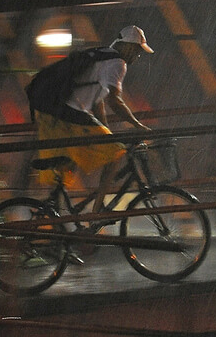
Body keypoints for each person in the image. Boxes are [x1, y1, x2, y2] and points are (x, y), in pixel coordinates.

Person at [34, 25, 153, 216]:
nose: (137, 56)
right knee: (116, 154)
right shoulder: (118, 63)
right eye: (138, 51)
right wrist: (137, 125)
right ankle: (97, 210)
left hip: (56, 112)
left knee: (77, 157)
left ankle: (52, 206)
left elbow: (97, 100)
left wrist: (105, 130)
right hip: (69, 113)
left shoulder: (101, 54)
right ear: (129, 47)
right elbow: (114, 100)